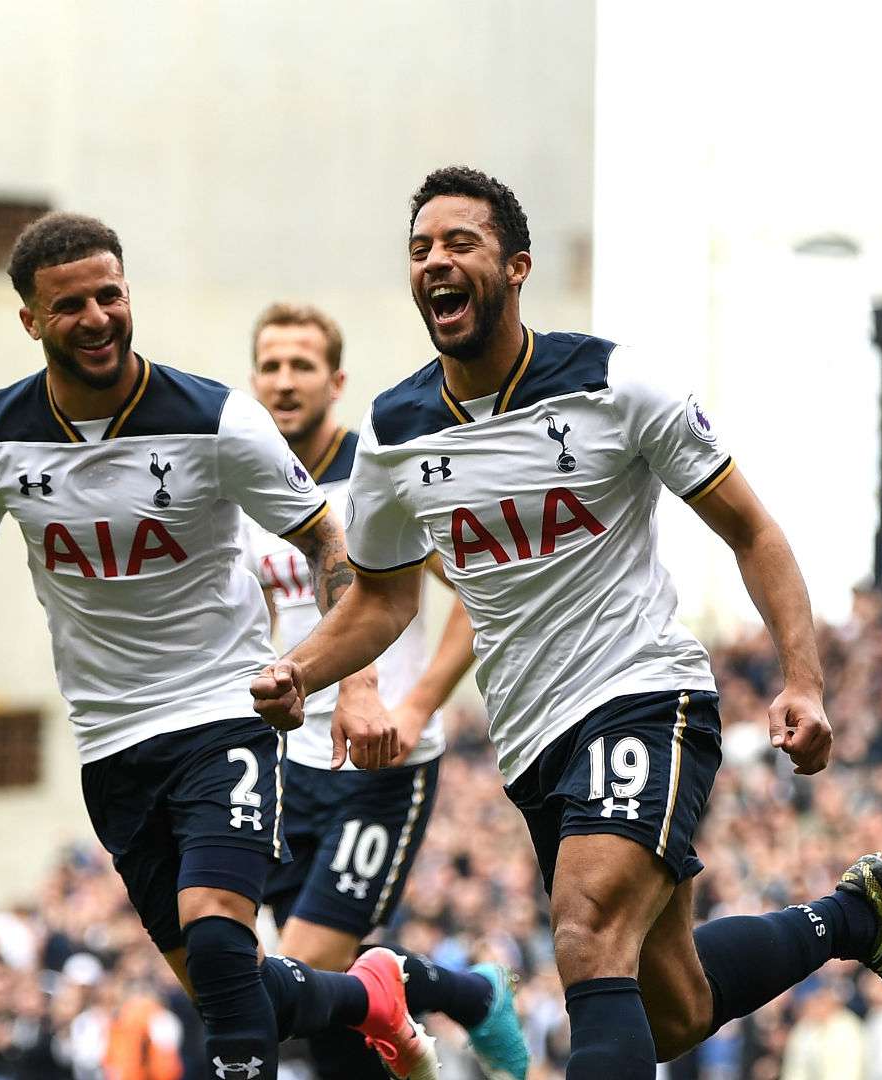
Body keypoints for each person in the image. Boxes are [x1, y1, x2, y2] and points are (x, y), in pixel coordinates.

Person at [250, 166, 882, 1080]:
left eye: (461, 243)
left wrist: (803, 676)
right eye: (420, 250)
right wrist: (303, 668)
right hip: (532, 739)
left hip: (643, 693)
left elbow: (751, 529)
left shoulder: (614, 383)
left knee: (584, 930)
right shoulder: (396, 430)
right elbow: (380, 600)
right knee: (674, 1008)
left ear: (518, 266)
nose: (436, 262)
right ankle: (852, 919)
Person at [0, 212, 442, 1080]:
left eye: (110, 296)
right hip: (110, 740)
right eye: (70, 306)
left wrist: (352, 680)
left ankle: (384, 999)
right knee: (224, 985)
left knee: (216, 929)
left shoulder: (216, 418)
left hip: (223, 714)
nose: (97, 319)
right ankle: (375, 997)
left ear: (129, 295)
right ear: (30, 321)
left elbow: (329, 540)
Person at [240, 300, 528, 1078]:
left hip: (380, 765)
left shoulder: (377, 476)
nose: (285, 380)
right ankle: (457, 997)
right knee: (331, 1013)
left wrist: (417, 705)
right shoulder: (248, 486)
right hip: (288, 768)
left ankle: (466, 992)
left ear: (335, 380)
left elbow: (474, 593)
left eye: (302, 365)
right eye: (271, 365)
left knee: (298, 968)